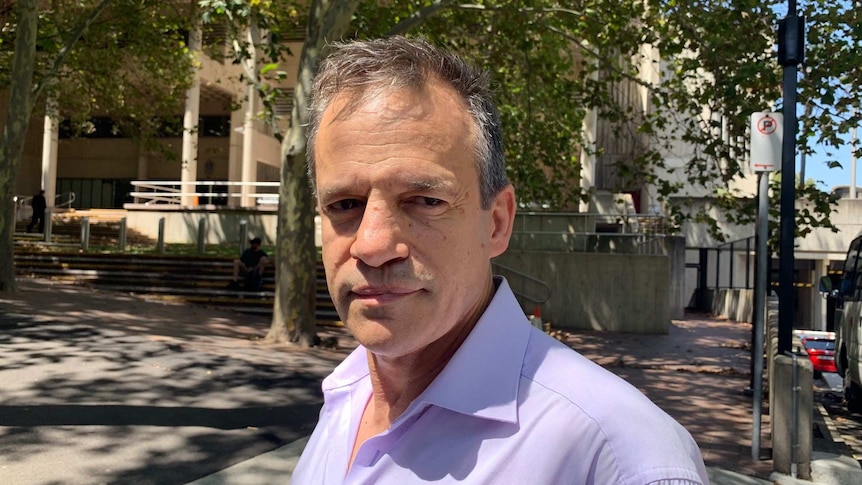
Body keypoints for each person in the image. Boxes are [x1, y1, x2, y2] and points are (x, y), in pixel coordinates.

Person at [291, 37, 708, 484]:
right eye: (344, 205)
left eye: (424, 200)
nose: (371, 244)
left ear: (497, 223)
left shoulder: (621, 459)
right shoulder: (346, 392)